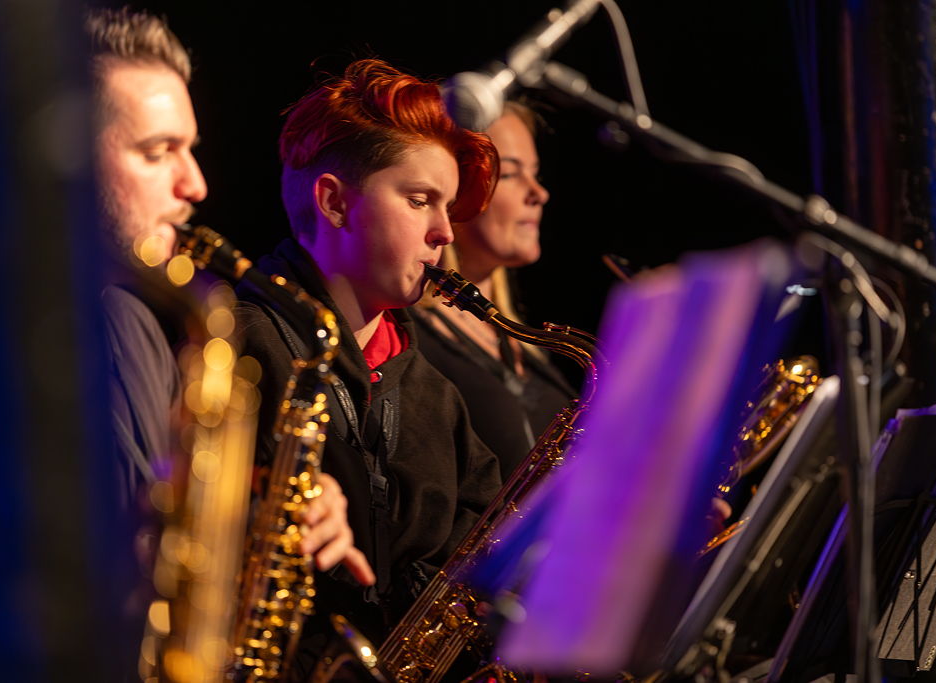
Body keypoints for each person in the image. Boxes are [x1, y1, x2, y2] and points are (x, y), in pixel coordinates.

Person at [87, 8, 375, 671]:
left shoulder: (137, 318)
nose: (196, 184)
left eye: (189, 148)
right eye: (158, 151)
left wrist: (268, 509)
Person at [235, 58, 503, 667]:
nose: (445, 233)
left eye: (447, 207)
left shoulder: (438, 397)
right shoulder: (236, 346)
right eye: (420, 200)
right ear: (335, 202)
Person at [413, 102, 576, 478]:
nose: (539, 193)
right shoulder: (412, 342)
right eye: (511, 174)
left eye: (535, 173)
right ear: (454, 190)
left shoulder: (524, 344)